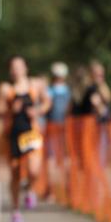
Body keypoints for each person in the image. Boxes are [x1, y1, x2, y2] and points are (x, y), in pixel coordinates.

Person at [0, 55, 50, 222]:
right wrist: (11, 109)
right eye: (13, 67)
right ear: (10, 71)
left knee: (34, 170)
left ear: (26, 68)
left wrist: (38, 111)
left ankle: (30, 190)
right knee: (15, 174)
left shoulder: (35, 85)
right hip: (13, 135)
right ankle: (15, 211)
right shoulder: (6, 89)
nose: (16, 70)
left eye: (19, 66)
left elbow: (47, 102)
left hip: (31, 133)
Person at [44, 62, 71, 201]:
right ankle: (68, 190)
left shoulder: (49, 90)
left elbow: (45, 107)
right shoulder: (68, 91)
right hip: (65, 128)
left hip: (52, 127)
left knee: (51, 159)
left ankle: (52, 191)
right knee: (65, 159)